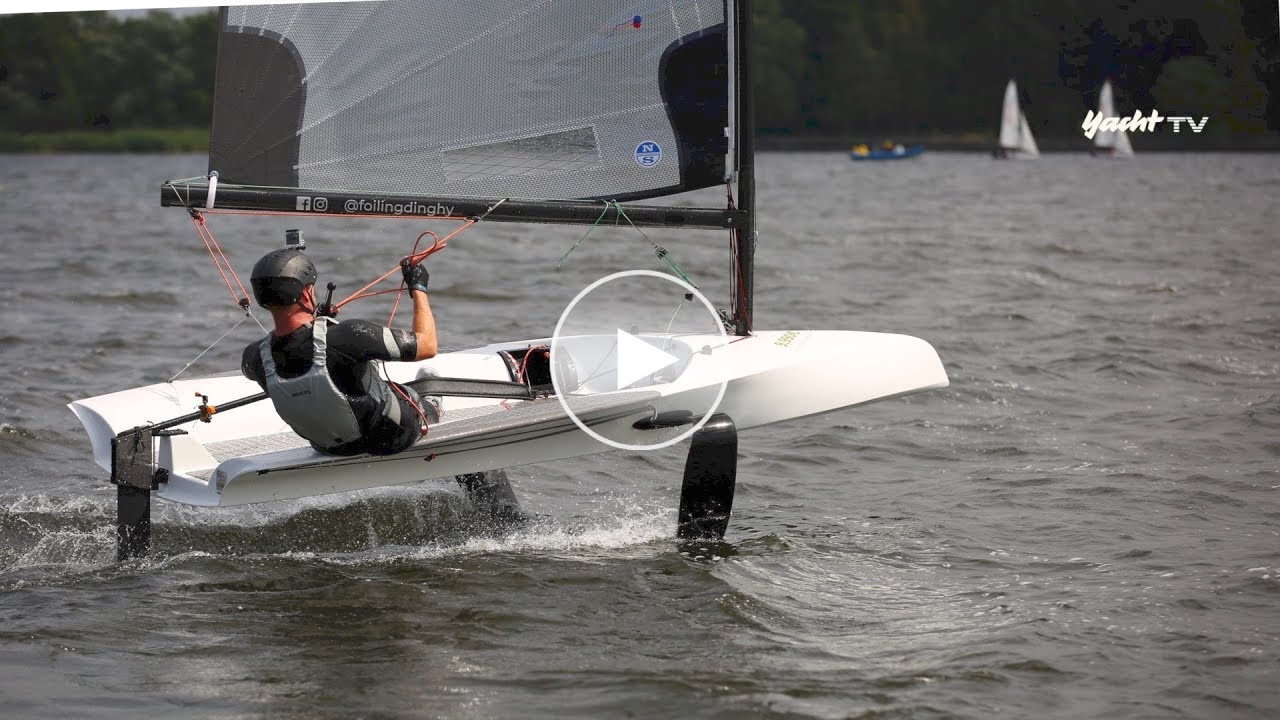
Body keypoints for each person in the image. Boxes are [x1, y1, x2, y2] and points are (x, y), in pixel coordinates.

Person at [241, 247, 439, 456]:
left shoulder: (254, 358)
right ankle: (433, 406)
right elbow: (427, 346)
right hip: (389, 438)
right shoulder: (349, 335)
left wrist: (318, 325)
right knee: (407, 395)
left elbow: (297, 350)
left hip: (331, 447)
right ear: (307, 294)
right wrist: (418, 288)